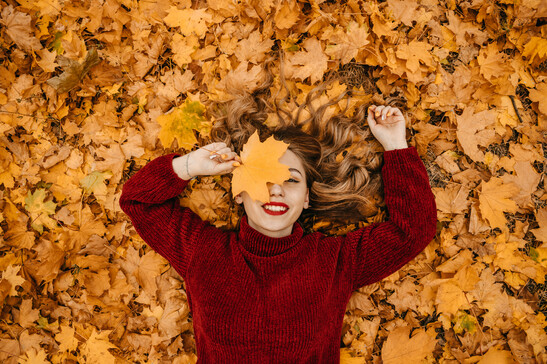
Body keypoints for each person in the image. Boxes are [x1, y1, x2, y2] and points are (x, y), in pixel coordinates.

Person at [119, 75, 437, 363]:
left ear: (307, 197)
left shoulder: (335, 262)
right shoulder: (203, 252)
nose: (276, 192)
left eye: (292, 180)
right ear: (239, 192)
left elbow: (413, 229)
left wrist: (395, 144)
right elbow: (138, 202)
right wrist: (189, 166)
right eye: (264, 179)